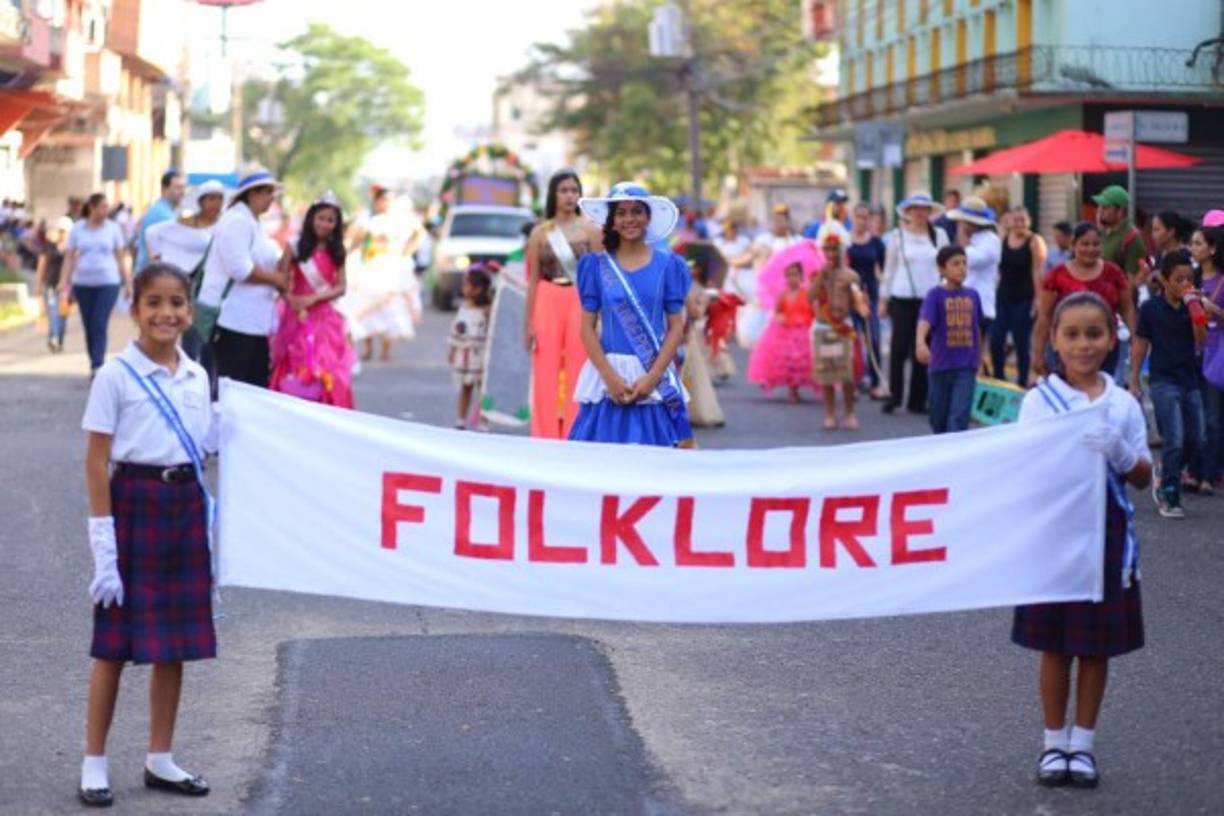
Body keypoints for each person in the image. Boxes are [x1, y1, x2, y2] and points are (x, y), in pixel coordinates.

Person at [78, 262, 217, 807]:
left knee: (173, 645)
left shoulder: (197, 374)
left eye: (177, 303)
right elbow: (95, 463)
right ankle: (94, 761)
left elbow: (202, 443)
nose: (167, 313)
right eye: (154, 303)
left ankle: (160, 756)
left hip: (183, 507)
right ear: (135, 310)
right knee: (113, 646)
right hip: (134, 505)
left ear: (189, 310)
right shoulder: (115, 375)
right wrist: (104, 550)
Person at [1013, 291, 1151, 790]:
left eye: (1094, 333)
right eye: (1071, 334)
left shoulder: (1123, 404)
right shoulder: (1038, 401)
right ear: (1053, 341)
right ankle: (1054, 743)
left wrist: (1117, 450)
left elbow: (1142, 476)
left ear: (1111, 338)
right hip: (1054, 537)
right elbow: (1022, 467)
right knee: (1054, 646)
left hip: (1107, 540)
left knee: (1095, 648)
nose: (1084, 344)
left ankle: (1083, 745)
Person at [569, 182, 692, 448]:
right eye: (621, 213)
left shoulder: (669, 266)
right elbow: (586, 329)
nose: (629, 219)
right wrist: (610, 378)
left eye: (636, 211)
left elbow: (675, 328)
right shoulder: (596, 265)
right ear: (612, 221)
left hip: (652, 379)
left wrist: (652, 378)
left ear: (648, 217)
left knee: (655, 469)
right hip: (608, 378)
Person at [524, 170, 602, 439]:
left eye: (574, 190)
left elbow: (601, 278)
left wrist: (601, 317)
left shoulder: (591, 230)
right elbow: (532, 280)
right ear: (553, 195)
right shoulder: (540, 233)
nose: (570, 196)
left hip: (580, 300)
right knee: (545, 369)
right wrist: (528, 323)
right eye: (564, 190)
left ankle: (575, 432)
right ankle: (544, 435)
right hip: (547, 298)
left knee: (579, 368)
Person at [1131, 251, 1208, 516]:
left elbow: (1201, 340)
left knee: (1196, 438)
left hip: (1190, 379)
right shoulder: (1150, 309)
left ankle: (1167, 470)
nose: (1185, 283)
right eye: (1179, 279)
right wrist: (1134, 381)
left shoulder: (1194, 304)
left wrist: (1195, 308)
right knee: (1174, 437)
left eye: (1189, 278)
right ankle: (1169, 493)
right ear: (1164, 280)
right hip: (1163, 380)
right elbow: (1140, 344)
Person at [197, 170, 288, 389]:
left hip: (251, 319)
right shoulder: (238, 220)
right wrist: (275, 279)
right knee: (234, 385)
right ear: (252, 194)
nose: (271, 199)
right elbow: (239, 268)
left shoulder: (252, 221)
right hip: (234, 319)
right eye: (267, 193)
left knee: (253, 384)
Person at [269, 194, 357, 409]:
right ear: (311, 219)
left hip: (325, 318)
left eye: (330, 220)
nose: (325, 224)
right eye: (321, 218)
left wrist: (313, 298)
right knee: (295, 364)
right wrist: (291, 299)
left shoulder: (337, 250)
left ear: (336, 224)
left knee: (327, 368)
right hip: (296, 315)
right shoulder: (296, 246)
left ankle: (328, 412)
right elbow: (279, 278)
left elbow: (341, 286)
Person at [1033, 223, 1135, 380]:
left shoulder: (1113, 273)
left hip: (1105, 347)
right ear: (1073, 245)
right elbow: (1045, 316)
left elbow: (1127, 309)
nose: (1090, 249)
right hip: (1066, 349)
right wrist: (1038, 353)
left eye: (1096, 244)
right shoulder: (1057, 275)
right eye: (1085, 244)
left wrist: (1135, 341)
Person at [879, 192, 950, 415]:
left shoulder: (939, 236)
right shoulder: (897, 237)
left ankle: (918, 399)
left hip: (930, 299)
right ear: (908, 213)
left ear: (930, 212)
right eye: (915, 209)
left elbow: (947, 268)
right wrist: (883, 299)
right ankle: (894, 395)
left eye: (924, 209)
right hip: (901, 298)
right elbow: (888, 271)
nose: (920, 213)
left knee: (924, 348)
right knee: (899, 348)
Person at [145, 181, 226, 362]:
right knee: (192, 336)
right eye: (211, 198)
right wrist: (157, 261)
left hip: (217, 290)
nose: (216, 203)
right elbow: (152, 233)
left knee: (212, 344)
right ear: (201, 201)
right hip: (192, 289)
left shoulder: (226, 224)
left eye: (219, 198)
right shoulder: (187, 222)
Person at [346, 185, 424, 361]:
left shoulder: (399, 221)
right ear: (376, 202)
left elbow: (419, 232)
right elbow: (355, 241)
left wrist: (406, 252)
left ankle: (386, 350)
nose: (385, 203)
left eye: (388, 199)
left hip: (391, 271)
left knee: (390, 309)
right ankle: (367, 348)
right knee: (367, 307)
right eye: (382, 199)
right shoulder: (369, 221)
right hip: (371, 269)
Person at [58, 193, 132, 378]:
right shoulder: (78, 228)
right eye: (102, 207)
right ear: (91, 207)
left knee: (99, 322)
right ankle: (94, 360)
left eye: (107, 207)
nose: (105, 211)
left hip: (108, 282)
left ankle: (98, 365)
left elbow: (121, 258)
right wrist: (63, 280)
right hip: (83, 283)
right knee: (89, 324)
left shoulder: (113, 229)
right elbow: (69, 257)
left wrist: (128, 283)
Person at [916, 245, 984, 434]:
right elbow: (925, 320)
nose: (962, 268)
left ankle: (956, 457)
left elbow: (977, 328)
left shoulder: (973, 295)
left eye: (964, 263)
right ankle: (941, 450)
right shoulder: (935, 295)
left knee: (959, 416)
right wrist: (920, 342)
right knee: (938, 417)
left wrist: (981, 358)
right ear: (941, 269)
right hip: (940, 365)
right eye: (955, 264)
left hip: (966, 367)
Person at [810, 235, 868, 430]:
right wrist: (821, 278)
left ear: (841, 251)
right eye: (827, 250)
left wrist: (863, 307)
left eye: (834, 249)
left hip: (844, 326)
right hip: (823, 325)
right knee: (826, 374)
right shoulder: (818, 274)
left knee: (847, 375)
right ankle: (830, 413)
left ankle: (850, 413)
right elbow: (810, 298)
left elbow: (858, 302)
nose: (830, 254)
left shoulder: (851, 275)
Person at [991, 206, 1047, 386]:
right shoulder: (1003, 239)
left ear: (1028, 221)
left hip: (1024, 298)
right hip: (1003, 296)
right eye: (1016, 220)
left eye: (1022, 220)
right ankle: (999, 377)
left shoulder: (1034, 241)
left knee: (1021, 342)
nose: (1019, 224)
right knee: (996, 338)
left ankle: (1023, 381)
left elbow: (1038, 272)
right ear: (1010, 222)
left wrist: (1038, 300)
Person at [746, 262, 817, 402]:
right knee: (790, 364)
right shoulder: (783, 295)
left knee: (800, 364)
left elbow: (813, 311)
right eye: (789, 275)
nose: (792, 278)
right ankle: (792, 390)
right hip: (787, 333)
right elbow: (778, 311)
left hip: (803, 332)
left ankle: (795, 389)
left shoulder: (807, 294)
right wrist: (780, 317)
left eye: (795, 274)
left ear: (801, 276)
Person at [1191, 227, 1224, 489]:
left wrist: (1213, 309)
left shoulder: (1221, 280)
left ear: (1212, 248)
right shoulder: (1190, 278)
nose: (1193, 248)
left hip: (1216, 354)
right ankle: (1195, 470)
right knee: (1195, 416)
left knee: (1213, 419)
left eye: (1199, 243)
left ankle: (1209, 475)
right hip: (1191, 353)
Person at [846, 202, 887, 399]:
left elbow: (885, 269)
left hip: (869, 294)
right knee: (852, 340)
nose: (862, 221)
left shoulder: (877, 243)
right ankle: (852, 382)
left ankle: (875, 382)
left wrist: (883, 298)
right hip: (849, 296)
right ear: (853, 218)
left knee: (874, 338)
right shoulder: (846, 242)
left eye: (865, 217)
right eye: (858, 217)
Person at [946, 196, 1001, 342]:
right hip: (960, 303)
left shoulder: (990, 240)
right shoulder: (970, 240)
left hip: (980, 305)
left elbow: (969, 261)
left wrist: (963, 242)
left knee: (974, 352)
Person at [448, 265, 493, 429]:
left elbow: (492, 332)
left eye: (467, 285)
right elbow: (456, 330)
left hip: (480, 356)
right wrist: (452, 351)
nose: (464, 288)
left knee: (483, 389)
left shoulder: (487, 310)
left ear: (478, 289)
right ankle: (460, 420)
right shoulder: (463, 308)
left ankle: (484, 420)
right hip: (464, 355)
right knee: (465, 388)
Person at [1094, 185, 1148, 286]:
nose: (1099, 210)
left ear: (1120, 211)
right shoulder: (1106, 233)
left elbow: (1132, 282)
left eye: (1105, 207)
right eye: (1099, 206)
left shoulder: (1131, 238)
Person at [34, 216, 73, 353]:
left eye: (66, 231)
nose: (63, 234)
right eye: (61, 231)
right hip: (50, 285)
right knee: (53, 312)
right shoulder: (49, 247)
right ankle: (54, 338)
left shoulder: (72, 249)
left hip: (66, 289)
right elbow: (42, 266)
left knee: (63, 315)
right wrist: (38, 285)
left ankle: (59, 339)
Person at [135, 171, 186, 273]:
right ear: (164, 189)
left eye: (183, 187)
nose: (182, 192)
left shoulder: (165, 211)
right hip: (153, 277)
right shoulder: (162, 214)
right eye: (178, 187)